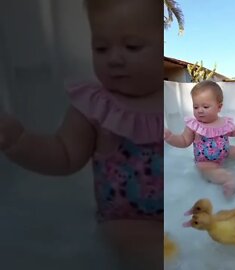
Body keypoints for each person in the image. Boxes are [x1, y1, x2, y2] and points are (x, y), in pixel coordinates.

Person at [0, 0, 163, 268]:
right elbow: (63, 154)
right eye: (101, 48)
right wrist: (20, 142)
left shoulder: (175, 103)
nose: (114, 58)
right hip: (128, 221)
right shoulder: (95, 107)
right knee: (150, 251)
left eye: (132, 46)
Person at [164, 80, 235, 198]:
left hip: (226, 152)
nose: (200, 110)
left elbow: (233, 132)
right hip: (205, 162)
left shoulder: (224, 122)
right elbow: (184, 141)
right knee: (214, 173)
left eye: (205, 106)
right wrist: (170, 137)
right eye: (195, 107)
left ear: (219, 107)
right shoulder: (194, 125)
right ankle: (229, 181)